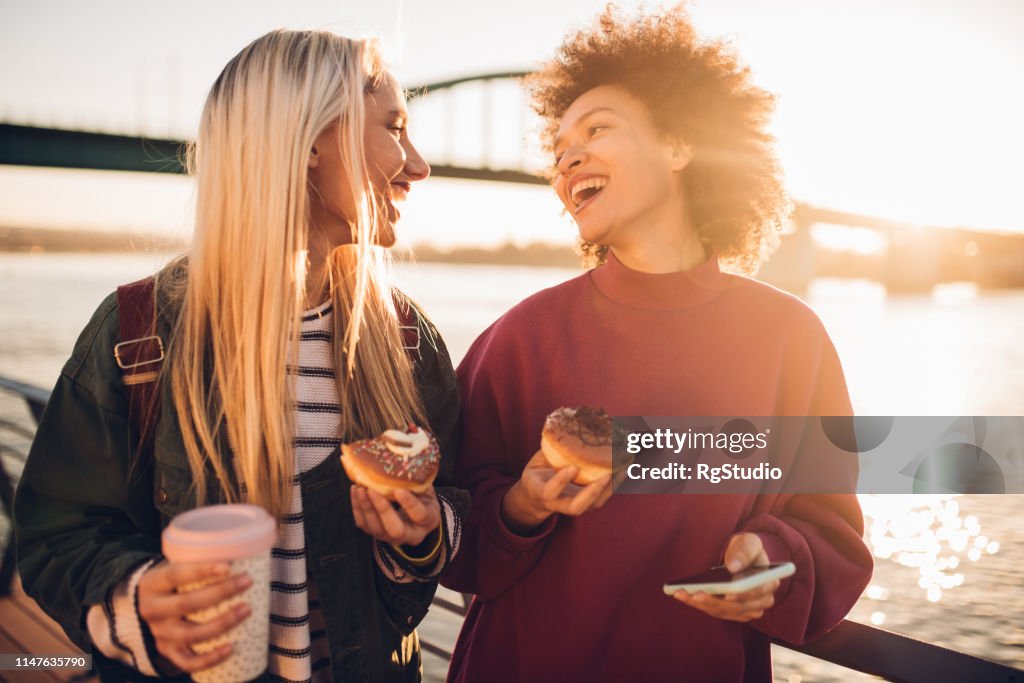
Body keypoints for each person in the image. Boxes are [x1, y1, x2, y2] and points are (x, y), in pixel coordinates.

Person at [15, 29, 466, 683]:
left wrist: (422, 534)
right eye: (394, 128)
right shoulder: (135, 336)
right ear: (310, 141)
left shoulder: (407, 340)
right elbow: (56, 535)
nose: (419, 164)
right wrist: (140, 597)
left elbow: (454, 502)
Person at [441, 7, 873, 682]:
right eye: (558, 150)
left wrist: (773, 560)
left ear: (679, 144)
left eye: (597, 129)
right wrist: (521, 507)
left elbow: (835, 534)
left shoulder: (794, 340)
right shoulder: (519, 338)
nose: (567, 159)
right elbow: (450, 528)